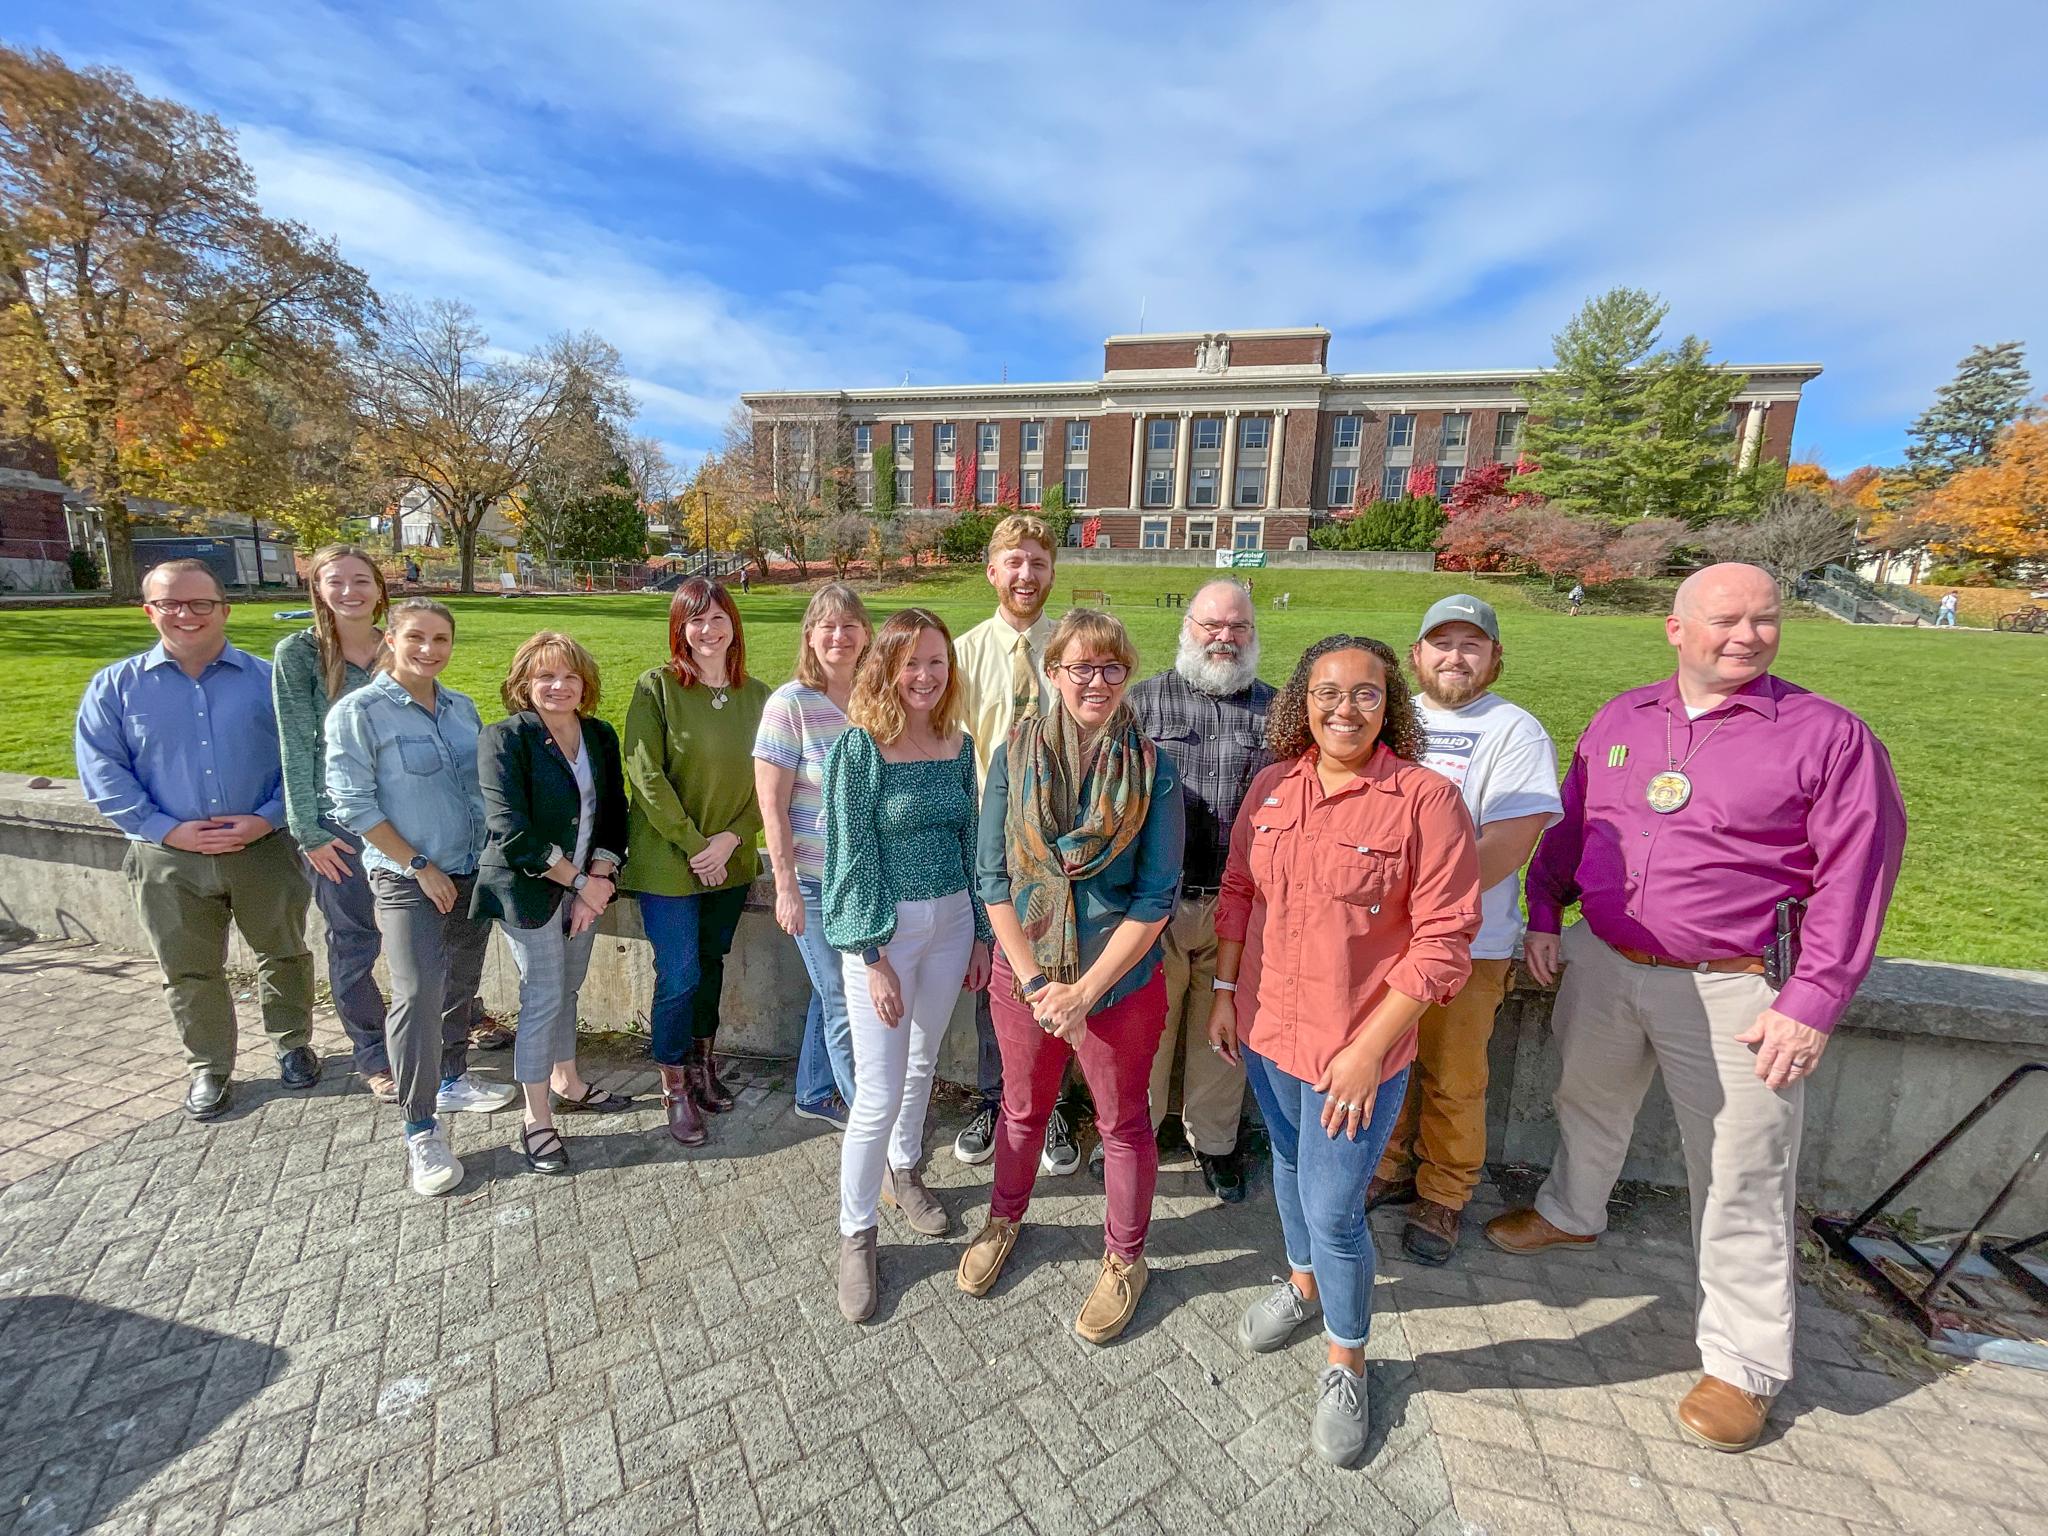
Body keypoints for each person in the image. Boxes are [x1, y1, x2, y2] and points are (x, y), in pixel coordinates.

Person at [1486, 562, 1907, 1455]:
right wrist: (1545, 911)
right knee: (1587, 1101)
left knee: (1742, 1168)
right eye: (1724, 619)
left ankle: (1745, 1364)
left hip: (1737, 987)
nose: (1746, 635)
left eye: (1764, 620)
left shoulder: (1827, 736)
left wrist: (1813, 999)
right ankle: (1571, 1213)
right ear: (1676, 628)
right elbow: (1573, 825)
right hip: (1605, 959)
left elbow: (1855, 879)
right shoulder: (1623, 718)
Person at [1213, 634, 1481, 1468]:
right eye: (1328, 692)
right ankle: (1300, 1284)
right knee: (1288, 1174)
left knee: (1336, 1212)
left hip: (1352, 1053)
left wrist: (1368, 1051)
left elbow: (1444, 942)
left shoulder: (1424, 802)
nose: (1345, 709)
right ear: (1303, 701)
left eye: (1366, 694)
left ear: (1390, 704)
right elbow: (1238, 892)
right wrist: (1224, 994)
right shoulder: (1272, 786)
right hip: (1267, 1032)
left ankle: (1347, 1357)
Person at [957, 610, 1185, 1346]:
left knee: (1123, 1125)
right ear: (1052, 673)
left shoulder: (1153, 767)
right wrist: (1031, 982)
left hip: (1117, 990)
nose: (1096, 682)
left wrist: (1083, 993)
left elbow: (1156, 897)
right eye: (1080, 668)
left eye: (1112, 667)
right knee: (1022, 1111)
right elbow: (991, 876)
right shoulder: (1014, 753)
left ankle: (1125, 1260)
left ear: (1128, 676)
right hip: (1025, 978)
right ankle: (1004, 1219)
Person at [75, 559, 319, 1121]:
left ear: (224, 609)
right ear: (149, 610)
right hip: (167, 858)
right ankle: (209, 1067)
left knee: (282, 952)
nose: (186, 614)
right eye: (170, 603)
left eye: (200, 603)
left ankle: (292, 1043)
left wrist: (269, 817)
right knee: (187, 969)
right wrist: (165, 828)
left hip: (261, 848)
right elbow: (102, 769)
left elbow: (303, 756)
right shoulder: (115, 687)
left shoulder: (266, 680)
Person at [1369, 596, 1561, 1264]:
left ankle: (1444, 1195)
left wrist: (1406, 898)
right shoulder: (1392, 721)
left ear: (1495, 659)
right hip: (1381, 940)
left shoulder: (1515, 731)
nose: (1455, 657)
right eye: (1441, 643)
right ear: (1416, 654)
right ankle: (1388, 1168)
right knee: (1387, 1062)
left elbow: (1506, 844)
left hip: (1466, 943)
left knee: (1454, 1075)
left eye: (1471, 645)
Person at [822, 609, 992, 1321]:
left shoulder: (958, 744)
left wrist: (981, 931)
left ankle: (905, 1170)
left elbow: (973, 841)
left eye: (937, 663)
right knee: (878, 1089)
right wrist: (870, 955)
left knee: (921, 1063)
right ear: (886, 667)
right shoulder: (859, 749)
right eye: (911, 662)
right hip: (886, 935)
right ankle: (855, 1234)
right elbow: (850, 856)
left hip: (951, 920)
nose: (925, 676)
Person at [325, 599, 517, 1198]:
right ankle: (420, 1127)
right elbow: (353, 805)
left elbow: (481, 788)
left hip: (469, 872)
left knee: (460, 981)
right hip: (406, 879)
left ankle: (455, 1075)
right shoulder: (359, 713)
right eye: (416, 637)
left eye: (441, 639)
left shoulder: (461, 707)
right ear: (391, 639)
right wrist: (418, 863)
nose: (429, 650)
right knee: (415, 992)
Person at [1123, 578, 1275, 1201]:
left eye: (1237, 627)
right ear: (1187, 627)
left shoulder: (1279, 709)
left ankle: (1214, 1142)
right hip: (1156, 906)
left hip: (1237, 908)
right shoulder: (1143, 702)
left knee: (1225, 1036)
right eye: (1212, 625)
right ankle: (1140, 1132)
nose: (1224, 637)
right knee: (1148, 1031)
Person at [472, 633, 633, 1176]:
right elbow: (510, 832)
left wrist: (600, 878)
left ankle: (568, 1081)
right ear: (523, 683)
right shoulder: (506, 740)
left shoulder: (599, 735)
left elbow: (614, 810)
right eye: (545, 676)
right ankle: (535, 1118)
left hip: (588, 884)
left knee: (568, 985)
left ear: (585, 684)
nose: (558, 686)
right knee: (542, 995)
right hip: (530, 891)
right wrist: (578, 884)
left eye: (569, 676)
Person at [950, 513, 1081, 1175]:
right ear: (992, 571)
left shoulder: (1075, 647)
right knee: (993, 986)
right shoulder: (965, 655)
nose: (1027, 575)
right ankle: (994, 1099)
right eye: (1015, 562)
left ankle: (1052, 1102)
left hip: (1065, 851)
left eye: (1038, 562)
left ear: (1052, 571)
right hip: (994, 850)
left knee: (1060, 978)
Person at [621, 577, 767, 1147]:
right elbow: (645, 775)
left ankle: (705, 1064)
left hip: (727, 861)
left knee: (711, 965)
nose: (706, 630)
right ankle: (674, 1084)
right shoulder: (656, 688)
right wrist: (692, 843)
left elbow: (773, 780)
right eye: (693, 620)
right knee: (679, 972)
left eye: (716, 618)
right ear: (679, 628)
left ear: (734, 624)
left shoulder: (758, 696)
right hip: (669, 862)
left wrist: (731, 839)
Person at [272, 545, 396, 1100]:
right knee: (354, 939)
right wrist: (309, 831)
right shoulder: (299, 655)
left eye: (361, 580)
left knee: (435, 931)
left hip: (404, 817)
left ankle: (452, 1027)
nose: (350, 592)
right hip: (338, 825)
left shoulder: (398, 644)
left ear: (378, 586)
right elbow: (295, 746)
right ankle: (372, 1052)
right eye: (335, 581)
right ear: (317, 590)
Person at [754, 583, 871, 1130]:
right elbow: (771, 806)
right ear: (809, 635)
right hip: (816, 883)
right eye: (827, 625)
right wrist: (785, 886)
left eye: (849, 625)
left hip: (869, 881)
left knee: (833, 994)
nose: (839, 636)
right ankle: (865, 1113)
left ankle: (814, 1089)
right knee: (844, 998)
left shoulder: (877, 700)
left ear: (866, 634)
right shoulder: (790, 704)